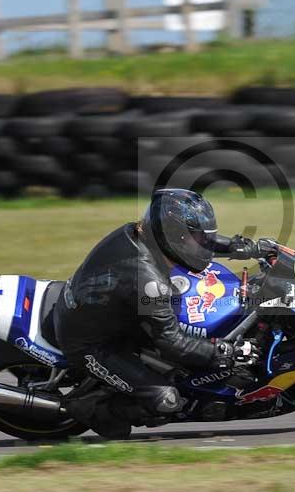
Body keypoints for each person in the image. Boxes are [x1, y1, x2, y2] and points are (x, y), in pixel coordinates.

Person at [53, 188, 262, 438]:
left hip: (106, 309)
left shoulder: (143, 234)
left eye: (201, 237)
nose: (200, 243)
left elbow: (193, 242)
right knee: (167, 400)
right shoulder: (148, 282)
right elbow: (172, 344)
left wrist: (241, 247)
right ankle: (89, 407)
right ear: (173, 236)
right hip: (90, 343)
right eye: (194, 237)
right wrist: (224, 352)